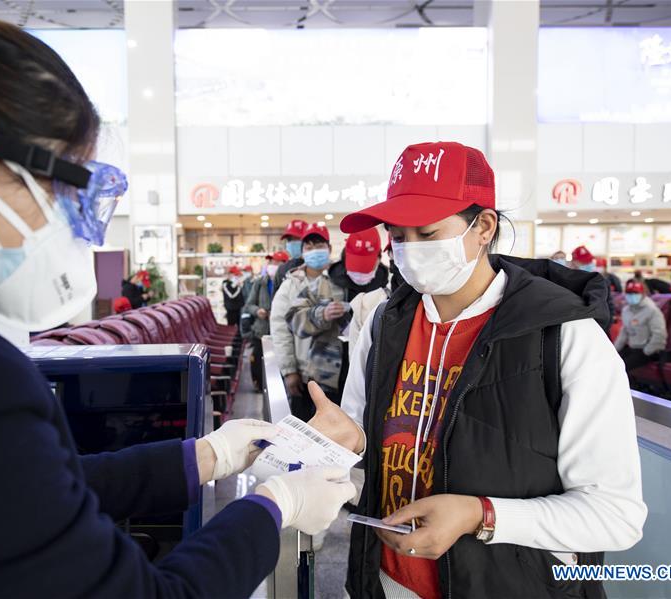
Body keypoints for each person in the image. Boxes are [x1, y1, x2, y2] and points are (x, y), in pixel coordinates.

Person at [0, 3, 357, 596]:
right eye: (66, 188)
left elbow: (14, 489)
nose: (72, 227)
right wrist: (274, 506)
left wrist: (210, 456)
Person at [303, 142, 646, 598]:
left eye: (427, 234)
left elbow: (615, 516)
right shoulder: (385, 324)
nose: (410, 251)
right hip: (386, 580)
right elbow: (368, 456)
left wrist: (480, 515)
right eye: (398, 237)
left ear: (483, 226)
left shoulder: (563, 337)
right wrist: (345, 445)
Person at [270, 223, 350, 420]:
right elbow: (280, 329)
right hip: (303, 373)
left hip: (336, 373)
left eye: (319, 246)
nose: (314, 251)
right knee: (304, 428)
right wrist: (289, 370)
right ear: (303, 251)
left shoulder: (340, 280)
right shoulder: (290, 284)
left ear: (329, 249)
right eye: (309, 247)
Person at [243, 251, 289, 392]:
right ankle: (259, 385)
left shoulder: (288, 284)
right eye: (271, 262)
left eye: (276, 262)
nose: (272, 265)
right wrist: (258, 311)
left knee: (280, 361)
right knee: (258, 359)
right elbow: (248, 305)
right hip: (261, 330)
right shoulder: (260, 283)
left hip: (282, 331)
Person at [614, 280, 668, 373]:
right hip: (633, 348)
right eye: (629, 293)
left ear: (643, 294)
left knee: (621, 368)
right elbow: (624, 333)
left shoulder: (652, 310)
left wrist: (647, 351)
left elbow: (659, 334)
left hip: (648, 350)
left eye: (635, 293)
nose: (632, 296)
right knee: (612, 362)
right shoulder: (626, 310)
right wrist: (614, 350)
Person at [328, 227, 389, 302]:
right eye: (356, 266)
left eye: (366, 266)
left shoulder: (387, 280)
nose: (360, 273)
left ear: (379, 259)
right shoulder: (332, 279)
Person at [273, 219, 308, 292]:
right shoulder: (282, 269)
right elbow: (275, 299)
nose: (292, 243)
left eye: (297, 238)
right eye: (289, 240)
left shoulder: (316, 266)